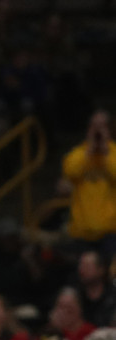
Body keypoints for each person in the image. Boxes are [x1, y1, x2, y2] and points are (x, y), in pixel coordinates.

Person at [59, 109, 116, 260]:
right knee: (84, 274)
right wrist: (89, 151)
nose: (97, 131)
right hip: (81, 232)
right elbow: (71, 172)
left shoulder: (114, 154)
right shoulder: (77, 154)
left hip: (111, 232)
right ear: (88, 129)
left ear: (110, 129)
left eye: (102, 126)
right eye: (94, 126)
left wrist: (105, 152)